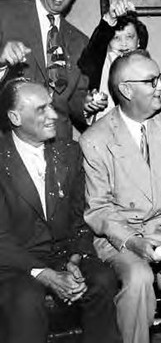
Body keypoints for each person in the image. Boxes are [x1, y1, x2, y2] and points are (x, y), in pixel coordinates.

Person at [79, 49, 161, 343]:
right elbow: (98, 210)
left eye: (160, 78)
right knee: (137, 280)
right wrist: (134, 242)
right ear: (126, 90)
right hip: (124, 236)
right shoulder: (96, 140)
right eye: (152, 81)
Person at [0, 80, 121, 343]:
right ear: (15, 117)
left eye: (51, 107)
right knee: (26, 299)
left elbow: (80, 216)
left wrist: (74, 260)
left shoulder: (70, 152)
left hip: (63, 254)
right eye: (41, 109)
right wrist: (44, 274)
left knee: (102, 279)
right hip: (15, 263)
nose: (53, 115)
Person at [0, 0, 107, 140]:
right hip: (9, 144)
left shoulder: (80, 42)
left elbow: (74, 103)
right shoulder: (5, 14)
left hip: (58, 147)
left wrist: (87, 106)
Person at [78, 0, 149, 120]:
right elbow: (93, 50)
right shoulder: (100, 63)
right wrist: (109, 19)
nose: (123, 43)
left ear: (139, 41)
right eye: (116, 38)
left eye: (129, 37)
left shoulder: (148, 67)